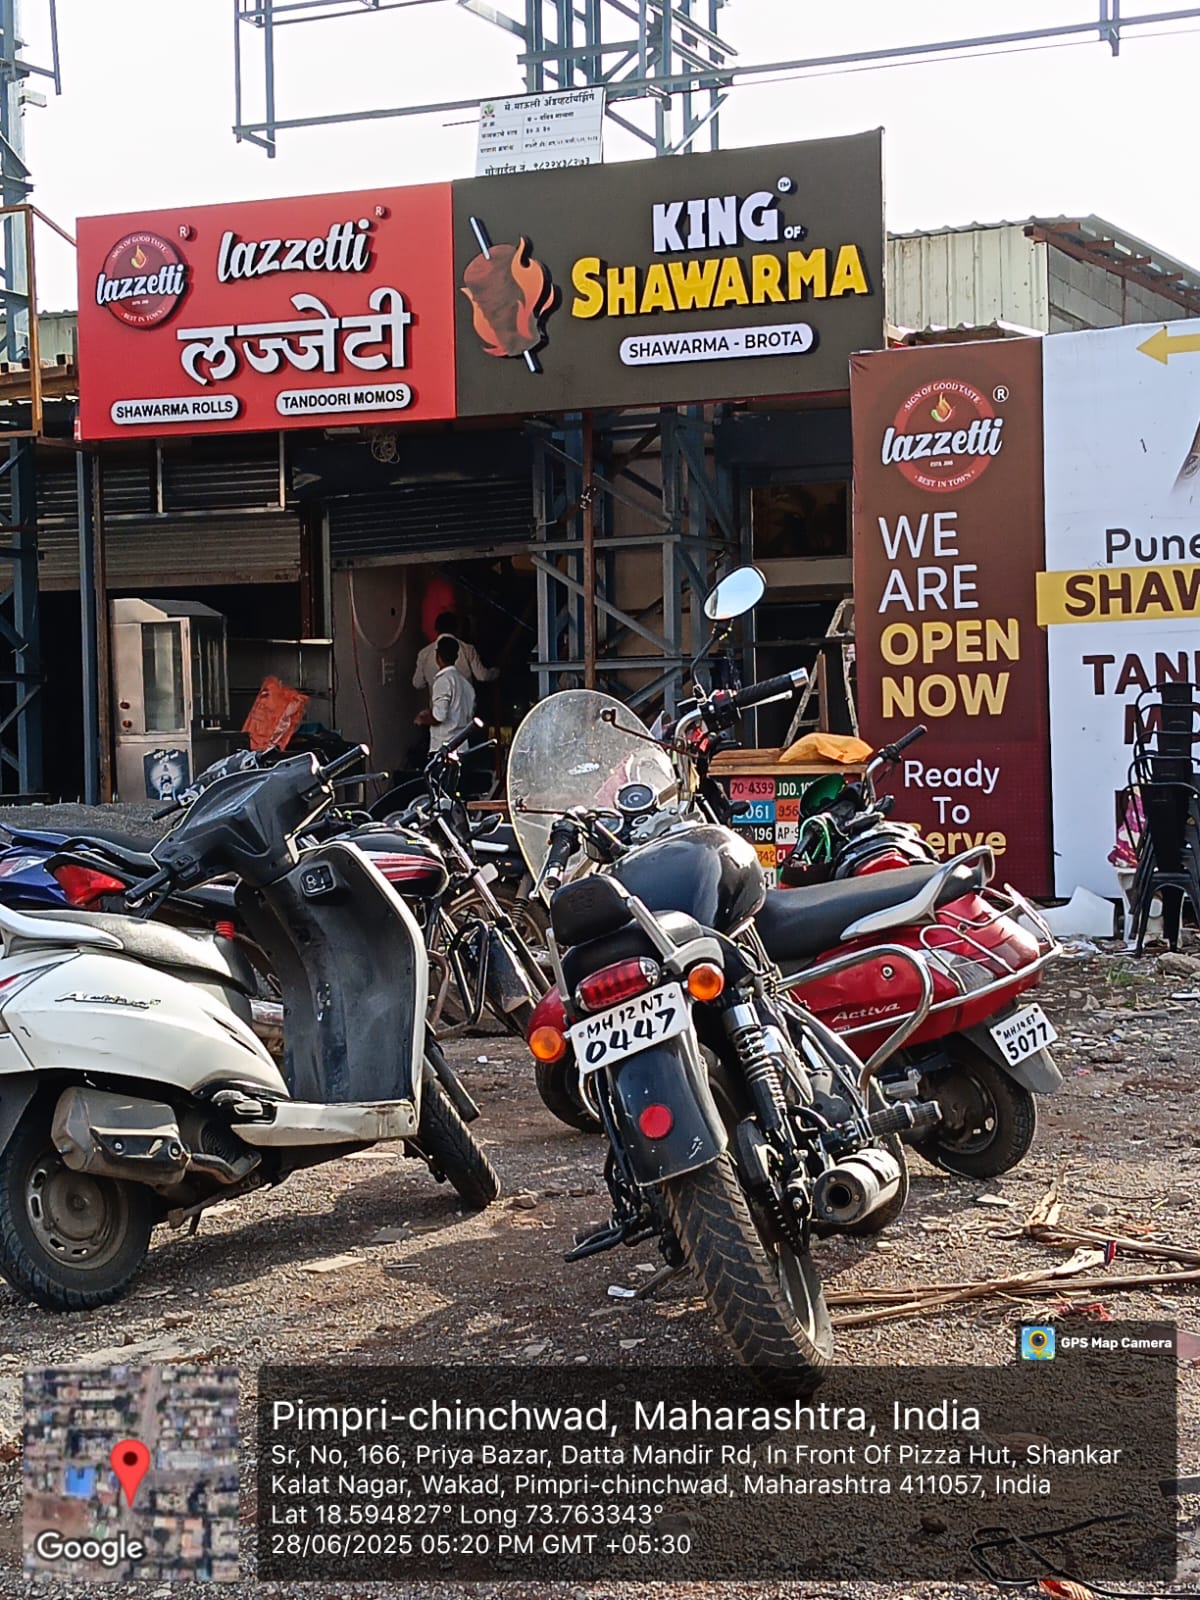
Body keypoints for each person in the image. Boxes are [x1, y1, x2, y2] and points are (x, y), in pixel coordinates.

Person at [415, 636, 477, 753]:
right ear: (456, 657)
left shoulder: (442, 682)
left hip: (444, 748)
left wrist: (422, 719)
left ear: (437, 657)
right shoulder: (465, 684)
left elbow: (439, 717)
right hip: (462, 747)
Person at [412, 611, 498, 691]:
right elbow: (482, 676)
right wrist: (496, 672)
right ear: (457, 628)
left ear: (436, 629)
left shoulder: (424, 653)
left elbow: (417, 683)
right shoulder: (468, 649)